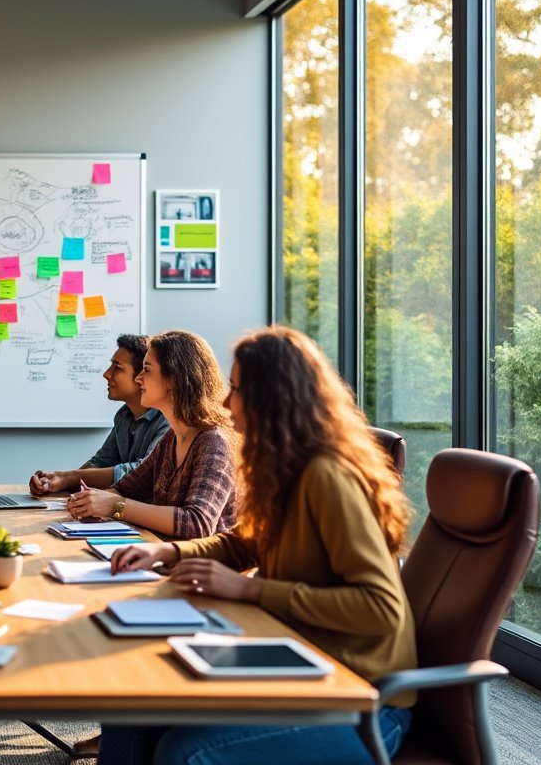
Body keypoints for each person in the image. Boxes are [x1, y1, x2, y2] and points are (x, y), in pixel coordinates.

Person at [103, 325, 417, 764]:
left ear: (272, 399)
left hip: (360, 697)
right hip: (294, 656)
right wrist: (167, 552)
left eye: (236, 389)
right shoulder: (281, 467)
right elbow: (241, 544)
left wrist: (249, 590)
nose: (227, 403)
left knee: (184, 753)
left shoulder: (328, 476)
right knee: (133, 703)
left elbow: (379, 607)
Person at [62, 330, 237, 541]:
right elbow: (126, 489)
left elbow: (197, 523)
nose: (138, 378)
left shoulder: (213, 441)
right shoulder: (171, 438)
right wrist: (88, 499)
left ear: (173, 379)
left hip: (201, 568)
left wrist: (115, 506)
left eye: (146, 369)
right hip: (162, 554)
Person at [29, 334, 169, 493]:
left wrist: (68, 477)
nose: (107, 374)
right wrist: (57, 482)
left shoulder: (167, 421)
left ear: (141, 377)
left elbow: (142, 472)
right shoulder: (124, 416)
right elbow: (101, 462)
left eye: (117, 367)